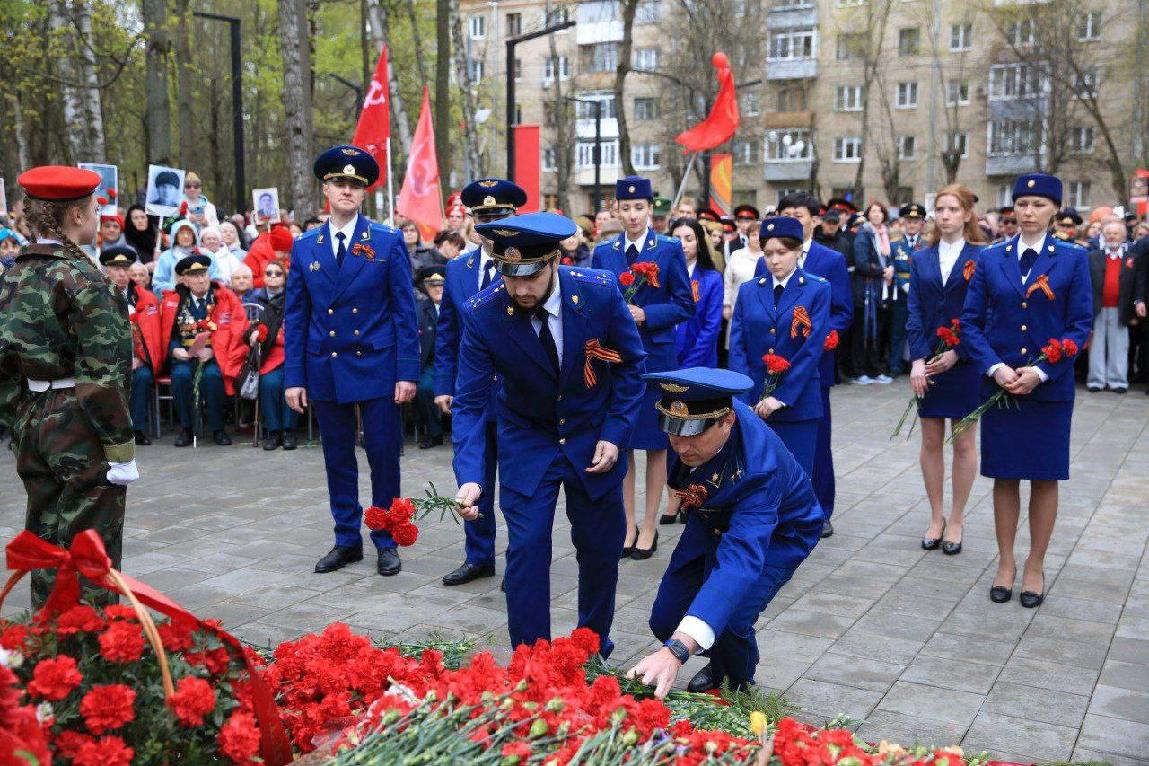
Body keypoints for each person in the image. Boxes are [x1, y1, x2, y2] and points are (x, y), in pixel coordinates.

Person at [452, 211, 646, 655]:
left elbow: (633, 366)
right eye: (509, 275)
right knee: (526, 550)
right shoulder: (483, 314)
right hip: (526, 438)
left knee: (600, 548)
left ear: (555, 260)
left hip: (593, 435)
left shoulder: (598, 293)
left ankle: (591, 647)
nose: (520, 289)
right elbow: (469, 401)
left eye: (531, 276)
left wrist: (615, 434)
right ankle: (531, 660)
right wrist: (469, 474)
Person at [626, 368, 823, 696]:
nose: (683, 447)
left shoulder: (760, 468)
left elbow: (740, 561)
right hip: (712, 514)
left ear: (727, 421)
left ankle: (735, 679)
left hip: (780, 531)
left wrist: (677, 651)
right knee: (666, 618)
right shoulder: (696, 434)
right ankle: (716, 653)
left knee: (731, 619)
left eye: (694, 435)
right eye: (674, 433)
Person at [0, 166, 138, 607]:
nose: (99, 217)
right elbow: (102, 375)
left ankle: (47, 645)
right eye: (95, 209)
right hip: (80, 421)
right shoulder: (83, 279)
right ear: (77, 215)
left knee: (45, 538)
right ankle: (91, 653)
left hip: (32, 415)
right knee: (89, 549)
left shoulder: (12, 275)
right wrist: (119, 445)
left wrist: (18, 421)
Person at [284, 145, 420, 578]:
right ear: (326, 188)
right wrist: (294, 377)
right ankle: (347, 538)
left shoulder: (386, 240)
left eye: (355, 185)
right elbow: (296, 315)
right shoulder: (306, 245)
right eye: (339, 183)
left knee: (383, 455)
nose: (346, 190)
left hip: (377, 363)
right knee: (337, 456)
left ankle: (386, 538)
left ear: (364, 193)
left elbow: (404, 311)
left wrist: (407, 371)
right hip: (326, 364)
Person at [961, 172, 1092, 608]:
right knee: (1005, 475)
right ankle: (1005, 562)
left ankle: (1035, 563)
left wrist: (1041, 372)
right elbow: (970, 323)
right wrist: (995, 368)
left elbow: (1078, 326)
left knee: (1044, 475)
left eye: (1039, 204)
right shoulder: (991, 258)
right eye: (1022, 204)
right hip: (1000, 386)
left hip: (1047, 390)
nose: (1029, 212)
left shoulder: (1072, 259)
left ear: (1055, 209)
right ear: (1012, 209)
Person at [592, 176, 694, 560]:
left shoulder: (668, 249)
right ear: (616, 209)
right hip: (616, 361)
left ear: (651, 210)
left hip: (655, 360)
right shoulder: (604, 252)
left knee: (655, 446)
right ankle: (627, 523)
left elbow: (685, 305)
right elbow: (594, 300)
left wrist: (645, 313)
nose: (632, 215)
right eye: (625, 207)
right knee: (621, 443)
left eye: (639, 208)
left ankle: (649, 525)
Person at [433, 177, 527, 586]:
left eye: (499, 216)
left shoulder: (528, 265)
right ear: (473, 220)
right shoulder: (457, 269)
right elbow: (447, 333)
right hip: (472, 395)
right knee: (473, 476)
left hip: (517, 395)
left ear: (512, 218)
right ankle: (479, 555)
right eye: (483, 217)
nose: (490, 225)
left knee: (519, 484)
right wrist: (442, 384)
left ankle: (521, 561)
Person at [753, 193, 853, 538]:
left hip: (812, 365)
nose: (792, 219)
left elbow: (842, 310)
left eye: (798, 214)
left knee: (814, 439)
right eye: (786, 214)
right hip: (769, 364)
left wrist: (826, 333)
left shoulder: (830, 259)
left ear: (813, 218)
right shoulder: (766, 259)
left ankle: (819, 507)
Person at [906, 185, 986, 556]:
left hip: (966, 360)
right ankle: (936, 516)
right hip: (929, 360)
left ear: (968, 214)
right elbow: (915, 311)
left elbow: (987, 313)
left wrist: (958, 351)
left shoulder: (984, 257)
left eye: (953, 209)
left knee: (965, 441)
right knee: (931, 441)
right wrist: (918, 359)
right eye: (940, 208)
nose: (946, 214)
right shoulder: (921, 258)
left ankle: (957, 518)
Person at [730, 216, 830, 475]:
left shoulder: (817, 289)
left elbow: (811, 350)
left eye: (782, 253)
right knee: (757, 475)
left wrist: (781, 397)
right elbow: (738, 346)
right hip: (754, 402)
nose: (774, 260)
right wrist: (743, 398)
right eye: (768, 253)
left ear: (798, 251)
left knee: (796, 476)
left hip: (797, 403)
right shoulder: (750, 290)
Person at [160, 254, 245, 447]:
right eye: (194, 275)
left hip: (214, 355)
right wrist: (175, 350)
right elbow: (169, 333)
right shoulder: (176, 301)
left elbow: (235, 329)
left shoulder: (223, 297)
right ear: (185, 280)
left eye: (203, 274)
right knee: (180, 377)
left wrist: (214, 350)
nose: (200, 279)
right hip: (185, 354)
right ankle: (186, 428)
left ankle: (218, 429)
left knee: (213, 377)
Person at [101, 246, 163, 446]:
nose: (122, 274)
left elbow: (150, 337)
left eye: (126, 268)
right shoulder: (96, 296)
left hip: (137, 359)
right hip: (107, 359)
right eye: (116, 268)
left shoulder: (144, 298)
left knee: (143, 377)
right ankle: (111, 430)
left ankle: (137, 428)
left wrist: (139, 358)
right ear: (106, 270)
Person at [244, 260, 297, 450]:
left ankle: (289, 431)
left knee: (291, 382)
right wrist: (253, 334)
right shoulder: (254, 298)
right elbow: (247, 328)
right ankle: (273, 431)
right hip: (270, 354)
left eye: (278, 273)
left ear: (285, 278)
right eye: (269, 273)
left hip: (294, 354)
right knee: (269, 382)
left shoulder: (295, 298)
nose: (273, 277)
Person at [1087, 219, 1138, 393]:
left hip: (1121, 308)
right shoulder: (1093, 257)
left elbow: (1136, 285)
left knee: (1120, 345)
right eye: (1108, 233)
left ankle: (1118, 381)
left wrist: (1134, 310)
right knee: (1097, 346)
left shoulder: (1131, 258)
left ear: (1123, 236)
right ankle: (1096, 380)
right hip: (1098, 308)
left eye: (1115, 233)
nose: (1111, 236)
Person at [850, 200, 895, 385]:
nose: (877, 215)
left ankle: (875, 369)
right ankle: (860, 370)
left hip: (880, 290)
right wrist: (882, 271)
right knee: (863, 331)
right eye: (873, 211)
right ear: (868, 215)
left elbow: (888, 258)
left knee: (878, 331)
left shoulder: (883, 234)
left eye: (880, 211)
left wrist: (890, 267)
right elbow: (861, 264)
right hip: (865, 291)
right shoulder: (864, 234)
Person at [671, 218, 723, 370]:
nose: (682, 244)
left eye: (689, 239)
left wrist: (688, 366)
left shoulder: (712, 279)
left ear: (699, 244)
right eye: (676, 239)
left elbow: (711, 327)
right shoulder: (658, 276)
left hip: (699, 362)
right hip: (665, 360)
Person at [888, 203, 927, 378]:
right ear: (903, 222)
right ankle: (895, 365)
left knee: (920, 329)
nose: (912, 224)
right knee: (897, 330)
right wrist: (903, 284)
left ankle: (918, 364)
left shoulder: (927, 244)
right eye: (909, 221)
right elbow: (891, 268)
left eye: (916, 221)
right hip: (901, 294)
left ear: (922, 223)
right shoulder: (895, 245)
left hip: (921, 295)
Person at [414, 266, 446, 450]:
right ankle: (434, 432)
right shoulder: (419, 310)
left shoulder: (456, 306)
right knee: (423, 388)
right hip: (431, 364)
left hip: (456, 364)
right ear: (426, 287)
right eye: (433, 285)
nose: (438, 289)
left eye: (441, 285)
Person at [151, 219, 200, 296]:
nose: (186, 236)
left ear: (194, 236)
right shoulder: (166, 256)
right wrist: (176, 287)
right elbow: (157, 284)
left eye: (189, 233)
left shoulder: (204, 254)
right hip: (174, 301)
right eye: (182, 233)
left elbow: (216, 280)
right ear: (175, 236)